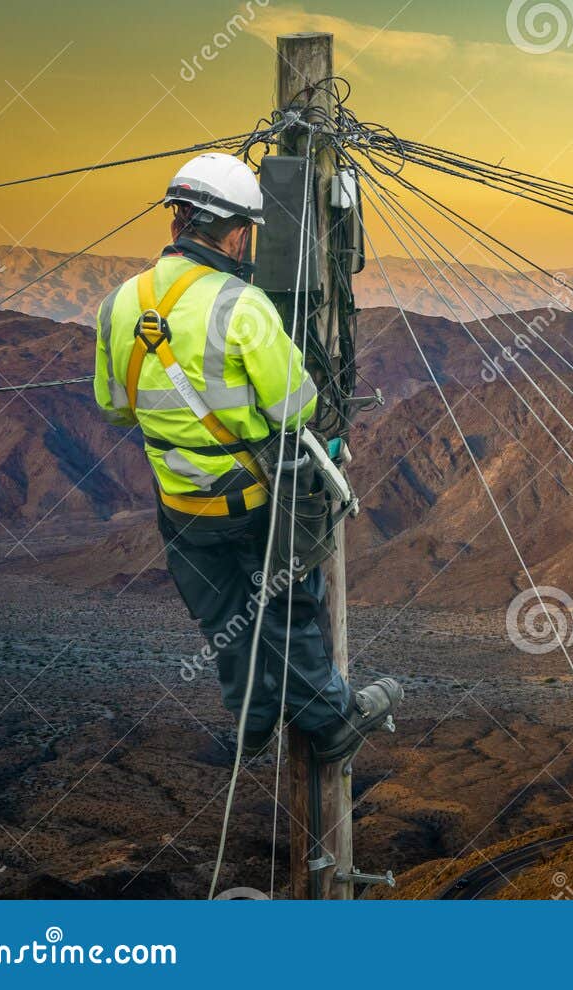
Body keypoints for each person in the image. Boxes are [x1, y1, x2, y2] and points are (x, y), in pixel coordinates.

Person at [93, 152, 399, 763]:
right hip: (252, 500)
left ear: (178, 220)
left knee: (224, 617)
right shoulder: (242, 305)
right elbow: (295, 408)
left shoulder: (118, 305)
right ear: (235, 229)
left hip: (179, 503)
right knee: (287, 608)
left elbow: (117, 407)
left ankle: (253, 720)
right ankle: (332, 720)